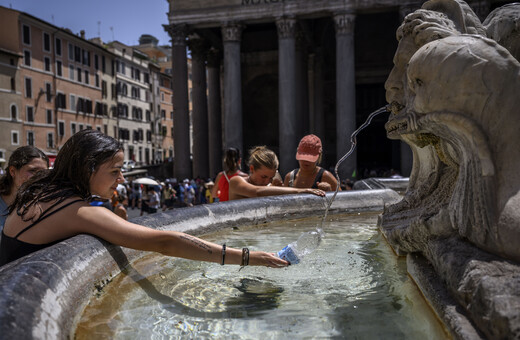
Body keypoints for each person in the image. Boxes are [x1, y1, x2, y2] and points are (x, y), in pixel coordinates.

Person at [0, 129, 288, 268]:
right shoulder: (78, 210)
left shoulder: (43, 190)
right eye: (115, 171)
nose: (122, 179)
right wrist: (250, 257)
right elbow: (164, 241)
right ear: (88, 169)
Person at [229, 146, 326, 200]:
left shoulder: (268, 187)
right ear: (252, 169)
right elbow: (256, 192)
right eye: (264, 176)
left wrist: (276, 189)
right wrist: (300, 191)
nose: (267, 181)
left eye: (270, 178)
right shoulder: (236, 181)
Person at [0, 146, 49, 231]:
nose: (40, 177)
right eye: (32, 171)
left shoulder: (45, 205)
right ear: (13, 171)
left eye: (43, 172)